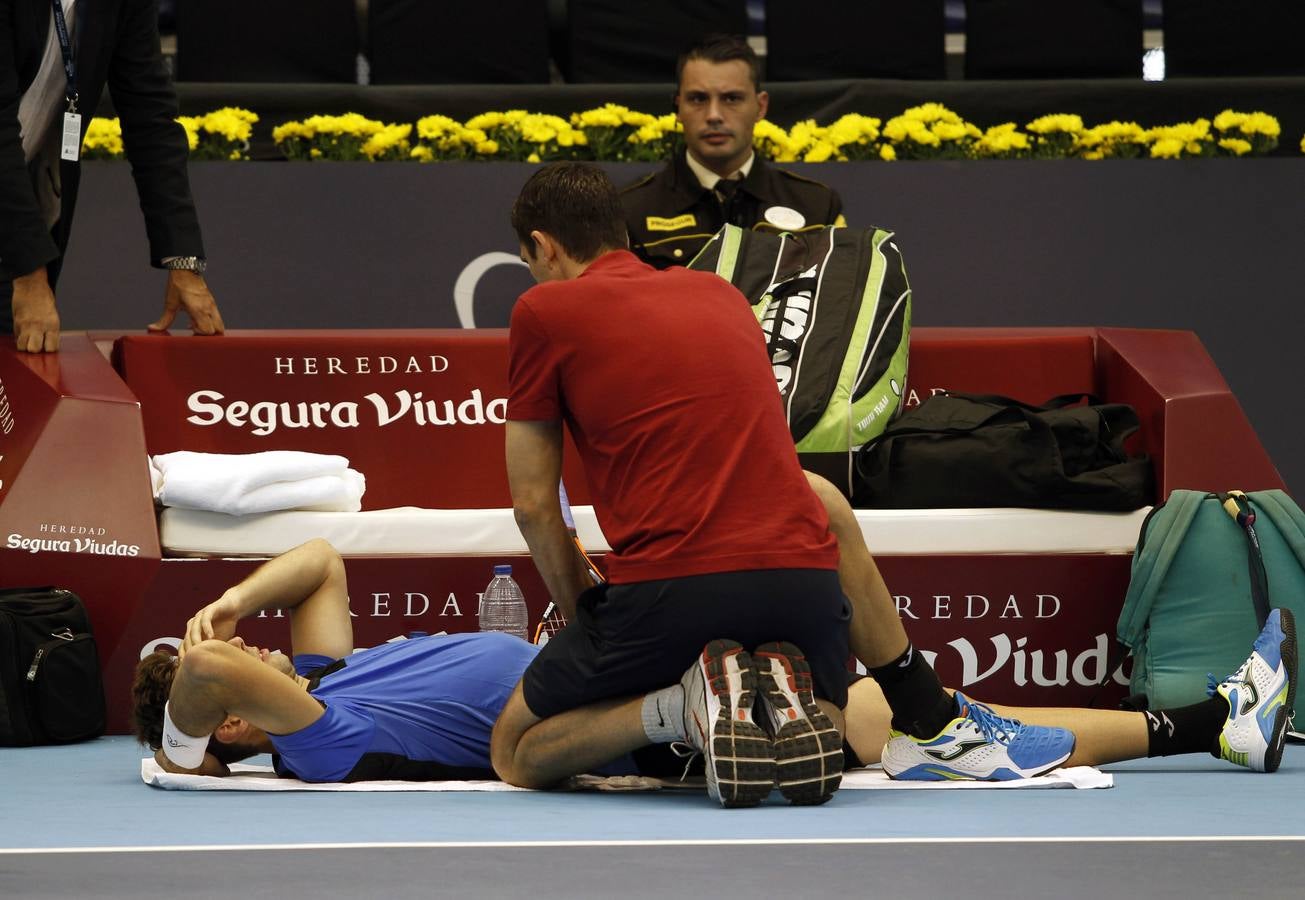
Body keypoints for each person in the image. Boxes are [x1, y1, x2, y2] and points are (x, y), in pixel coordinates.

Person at [135, 539, 1298, 783]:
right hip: (621, 692)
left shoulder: (328, 676)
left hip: (589, 649)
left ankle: (1207, 726)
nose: (235, 643)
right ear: (237, 722)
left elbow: (323, 562)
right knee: (891, 725)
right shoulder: (318, 740)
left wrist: (229, 598)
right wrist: (187, 725)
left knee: (928, 716)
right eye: (221, 669)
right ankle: (1206, 727)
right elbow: (215, 686)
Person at [493, 160, 851, 808]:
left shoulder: (543, 308)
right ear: (621, 232)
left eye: (530, 260)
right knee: (827, 717)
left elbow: (532, 506)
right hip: (805, 581)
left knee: (515, 752)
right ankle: (775, 699)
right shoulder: (721, 293)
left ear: (543, 247)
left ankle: (683, 706)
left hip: (673, 592)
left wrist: (583, 618)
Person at [1, 0, 225, 352]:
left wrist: (183, 261)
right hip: (17, 241)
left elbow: (150, 117)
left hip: (15, 224)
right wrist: (29, 273)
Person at [620, 34, 845, 269]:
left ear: (760, 107)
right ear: (678, 108)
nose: (713, 115)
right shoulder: (631, 211)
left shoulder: (816, 206)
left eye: (731, 98)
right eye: (698, 99)